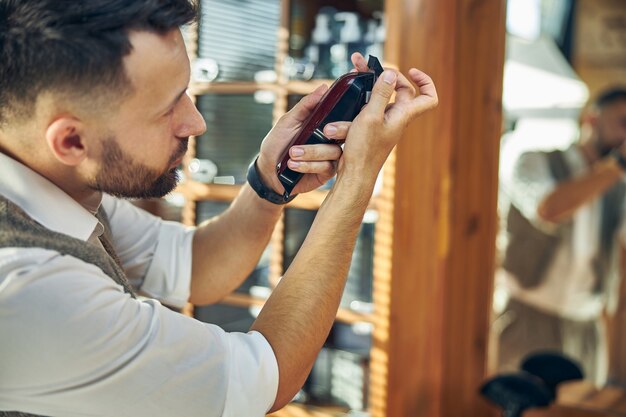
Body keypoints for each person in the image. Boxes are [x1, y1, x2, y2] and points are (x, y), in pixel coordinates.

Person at [0, 1, 437, 416]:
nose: (197, 122)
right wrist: (357, 179)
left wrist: (270, 182)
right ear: (71, 141)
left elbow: (197, 265)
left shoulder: (55, 181)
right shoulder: (27, 286)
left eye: (186, 92)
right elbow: (269, 373)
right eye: (168, 108)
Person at [494, 87, 626, 384]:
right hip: (528, 318)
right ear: (591, 120)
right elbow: (549, 209)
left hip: (586, 328)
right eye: (623, 123)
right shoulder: (533, 161)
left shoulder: (619, 185)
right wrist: (618, 164)